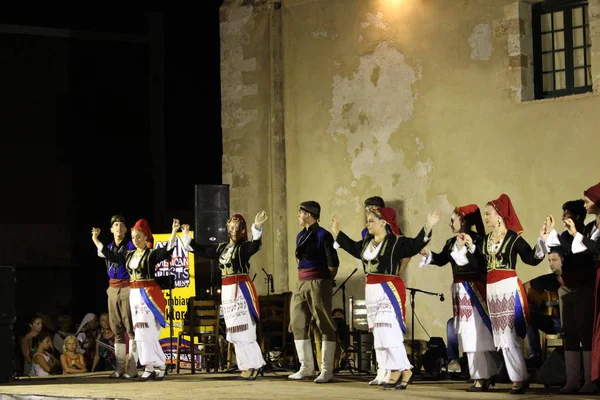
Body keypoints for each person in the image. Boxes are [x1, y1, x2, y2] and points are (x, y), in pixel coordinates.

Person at [333, 206, 441, 390]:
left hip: (388, 289)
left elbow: (415, 245)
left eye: (372, 221)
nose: (368, 224)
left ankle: (405, 368)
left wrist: (428, 225)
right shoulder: (367, 242)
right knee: (379, 333)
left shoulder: (395, 242)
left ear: (383, 222)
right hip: (372, 290)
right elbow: (351, 246)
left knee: (389, 330)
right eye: (367, 221)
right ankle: (394, 369)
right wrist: (336, 230)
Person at [464, 194, 545, 394]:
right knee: (500, 336)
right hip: (493, 289)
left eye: (488, 213)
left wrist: (543, 240)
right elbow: (480, 263)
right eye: (484, 214)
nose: (485, 217)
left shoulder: (513, 238)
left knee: (510, 335)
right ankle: (519, 377)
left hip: (508, 287)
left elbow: (532, 258)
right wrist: (470, 246)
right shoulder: (485, 241)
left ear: (499, 215)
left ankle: (519, 378)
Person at [180, 211, 268, 380]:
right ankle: (246, 365)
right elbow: (203, 251)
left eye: (238, 228)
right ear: (228, 229)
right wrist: (186, 236)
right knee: (233, 332)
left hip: (241, 289)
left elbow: (255, 245)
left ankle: (255, 365)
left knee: (245, 330)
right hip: (227, 292)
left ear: (243, 230)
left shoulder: (244, 248)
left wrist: (257, 225)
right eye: (232, 227)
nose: (234, 230)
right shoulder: (221, 248)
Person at [420, 204, 497, 391]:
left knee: (478, 333)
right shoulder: (450, 242)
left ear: (464, 220)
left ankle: (482, 376)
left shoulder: (478, 240)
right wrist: (429, 255)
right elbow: (442, 260)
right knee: (468, 333)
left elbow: (482, 262)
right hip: (460, 290)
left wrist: (470, 248)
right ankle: (482, 375)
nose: (450, 223)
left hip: (475, 289)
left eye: (453, 219)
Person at [92, 218, 180, 381]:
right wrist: (96, 240)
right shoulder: (129, 255)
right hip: (134, 295)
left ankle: (149, 367)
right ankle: (159, 364)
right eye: (133, 237)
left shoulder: (151, 254)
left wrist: (174, 231)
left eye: (139, 236)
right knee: (140, 332)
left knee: (146, 332)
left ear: (146, 237)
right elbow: (111, 255)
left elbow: (167, 251)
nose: (135, 240)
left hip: (148, 295)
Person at [288, 201, 340, 384]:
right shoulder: (300, 235)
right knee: (297, 322)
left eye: (300, 213)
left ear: (309, 214)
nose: (298, 216)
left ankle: (326, 369)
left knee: (324, 322)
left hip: (318, 281)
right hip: (301, 282)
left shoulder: (323, 235)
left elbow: (333, 262)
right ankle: (307, 366)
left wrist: (325, 281)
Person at [558, 185, 600, 392]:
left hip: (585, 286)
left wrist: (576, 235)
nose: (564, 217)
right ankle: (572, 379)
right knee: (569, 332)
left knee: (586, 332)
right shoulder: (571, 234)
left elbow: (590, 253)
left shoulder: (587, 230)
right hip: (567, 287)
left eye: (568, 213)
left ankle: (590, 379)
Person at [99, 215, 137, 378]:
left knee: (131, 328)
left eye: (122, 225)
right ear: (111, 229)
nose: (119, 228)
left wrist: (96, 240)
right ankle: (120, 367)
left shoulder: (130, 246)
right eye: (116, 225)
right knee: (116, 329)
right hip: (112, 287)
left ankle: (133, 367)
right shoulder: (108, 247)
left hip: (126, 286)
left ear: (126, 229)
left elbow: (119, 259)